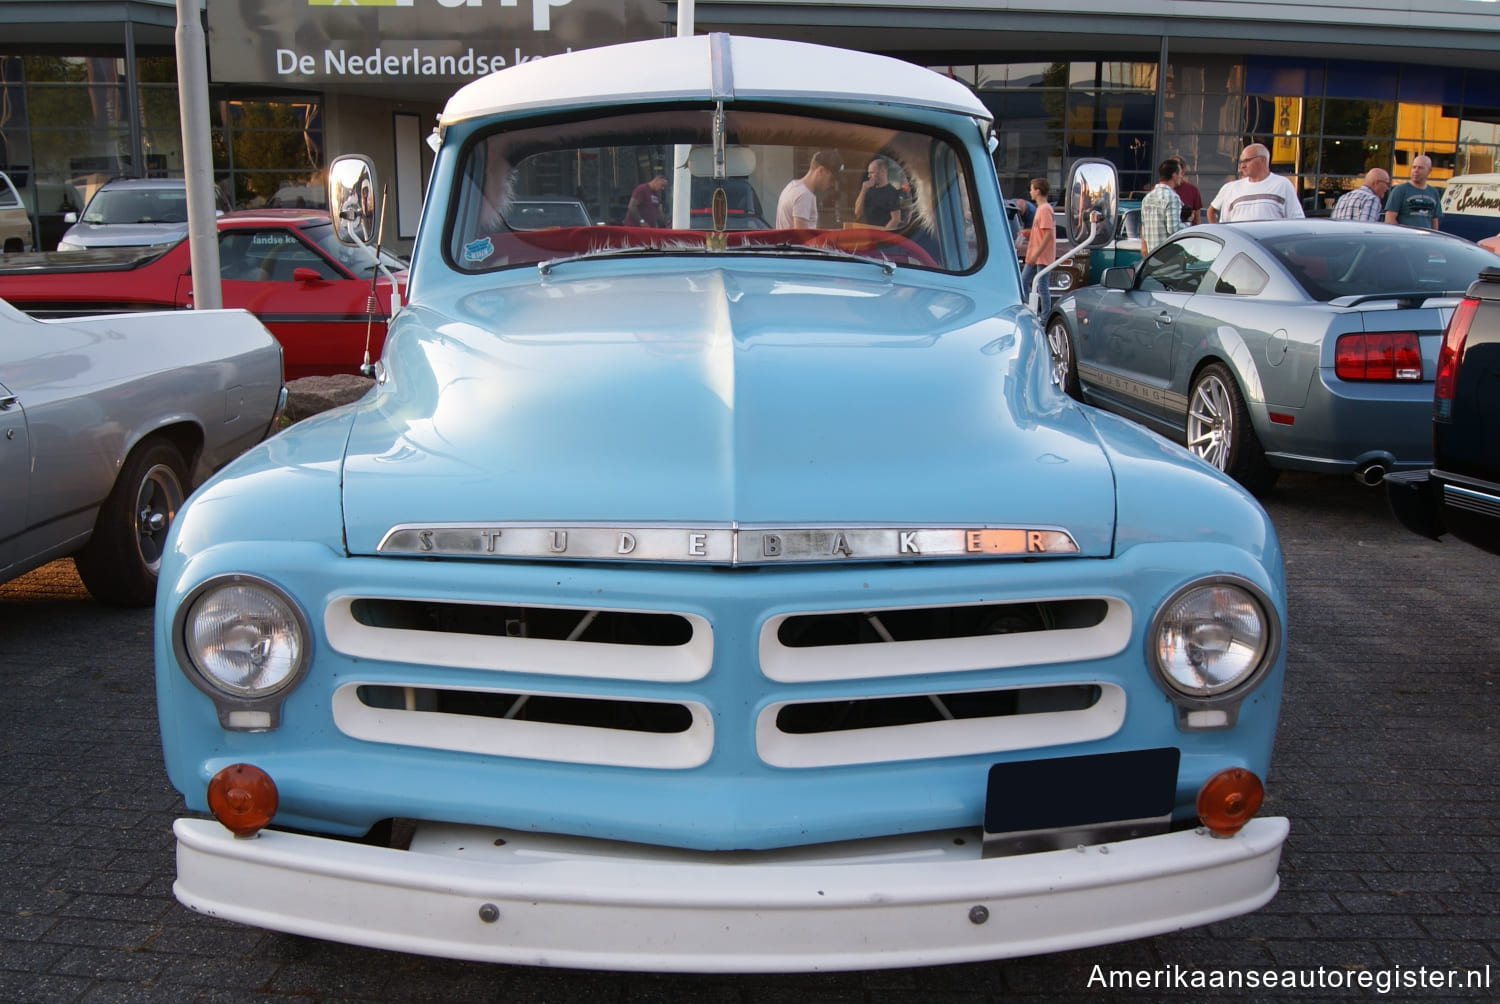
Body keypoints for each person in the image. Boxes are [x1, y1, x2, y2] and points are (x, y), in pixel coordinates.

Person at [1207, 143, 1304, 222]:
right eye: (1241, 162)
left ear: (1263, 160)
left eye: (1247, 160)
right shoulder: (1230, 188)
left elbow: (1297, 220)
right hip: (1237, 244)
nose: (1242, 166)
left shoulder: (1282, 184)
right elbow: (1211, 211)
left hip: (1268, 245)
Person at [775, 151, 840, 229]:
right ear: (821, 170)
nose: (832, 184)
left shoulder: (791, 187)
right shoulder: (804, 195)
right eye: (832, 179)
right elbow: (800, 236)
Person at [1021, 177, 1055, 315]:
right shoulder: (1040, 209)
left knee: (1042, 286)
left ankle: (1045, 315)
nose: (1030, 192)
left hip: (1041, 255)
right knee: (1024, 282)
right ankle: (1033, 309)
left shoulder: (1045, 209)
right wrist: (1027, 232)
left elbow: (1048, 234)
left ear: (1038, 191)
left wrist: (1036, 254)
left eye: (1032, 189)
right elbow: (1040, 231)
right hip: (1036, 254)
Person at [1140, 159, 1187, 255]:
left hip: (1151, 255)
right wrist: (1188, 225)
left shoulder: (1148, 197)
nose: (1181, 177)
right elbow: (1174, 229)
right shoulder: (1172, 197)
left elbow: (1144, 227)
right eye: (1180, 174)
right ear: (1174, 175)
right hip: (1167, 257)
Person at [1384, 155, 1442, 229]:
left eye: (1420, 168)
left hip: (1425, 239)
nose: (1416, 170)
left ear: (1429, 170)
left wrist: (1433, 238)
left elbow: (1434, 221)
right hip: (1406, 239)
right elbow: (1389, 219)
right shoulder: (1400, 190)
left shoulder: (1434, 193)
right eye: (1414, 167)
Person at [853, 156, 902, 229]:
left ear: (882, 171)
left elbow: (896, 219)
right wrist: (863, 190)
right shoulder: (868, 190)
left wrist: (882, 234)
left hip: (881, 233)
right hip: (866, 231)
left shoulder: (891, 192)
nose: (869, 176)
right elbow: (857, 212)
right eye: (869, 173)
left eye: (872, 173)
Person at [1170, 157, 1202, 225]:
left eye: (1175, 169)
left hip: (1185, 233)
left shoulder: (1193, 190)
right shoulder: (1158, 191)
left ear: (1183, 171)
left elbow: (1197, 220)